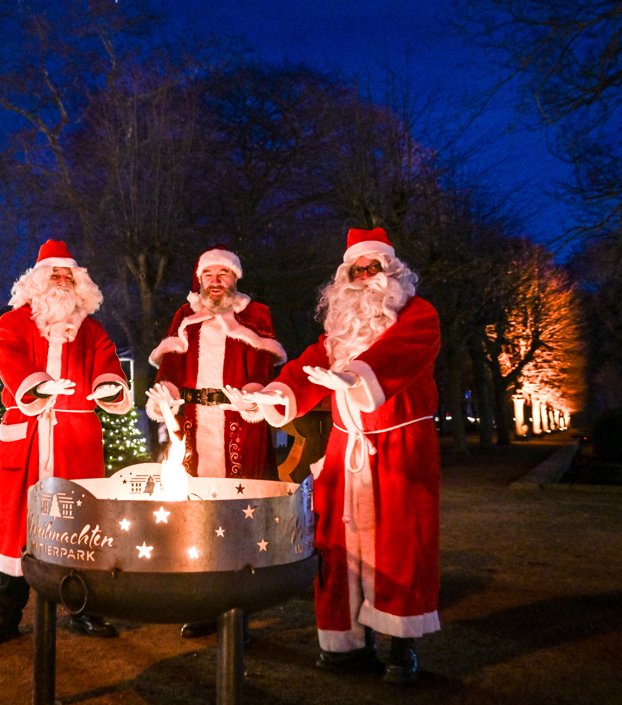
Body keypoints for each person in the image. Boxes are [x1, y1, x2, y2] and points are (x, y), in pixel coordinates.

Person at [232, 228, 440, 684]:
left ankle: (401, 647)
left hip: (400, 448)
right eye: (355, 270)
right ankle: (343, 641)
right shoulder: (339, 333)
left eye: (373, 268)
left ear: (392, 272)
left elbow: (404, 353)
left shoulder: (418, 315)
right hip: (346, 448)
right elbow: (307, 370)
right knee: (336, 546)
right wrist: (268, 397)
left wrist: (357, 377)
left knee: (401, 546)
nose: (364, 278)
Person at [0, 239, 133, 646]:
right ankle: (7, 615)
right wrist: (41, 389)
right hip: (27, 436)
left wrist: (107, 389)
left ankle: (85, 610)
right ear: (37, 282)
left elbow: (107, 364)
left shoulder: (92, 330)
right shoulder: (13, 324)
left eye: (68, 276)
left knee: (80, 522)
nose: (62, 283)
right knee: (18, 527)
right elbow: (10, 359)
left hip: (75, 438)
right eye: (55, 276)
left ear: (79, 285)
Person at [146, 245, 287, 639]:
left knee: (240, 514)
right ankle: (204, 602)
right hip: (193, 425)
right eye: (209, 274)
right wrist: (166, 392)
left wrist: (255, 393)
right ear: (200, 279)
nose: (216, 281)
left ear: (235, 278)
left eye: (224, 274)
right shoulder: (185, 316)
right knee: (198, 514)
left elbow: (262, 360)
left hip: (240, 420)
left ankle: (240, 610)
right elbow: (171, 363)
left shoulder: (255, 314)